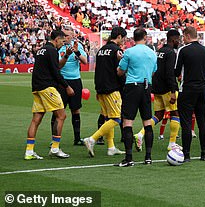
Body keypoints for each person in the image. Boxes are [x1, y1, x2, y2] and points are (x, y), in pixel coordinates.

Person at [25, 29, 74, 160]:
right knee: (61, 115)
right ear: (57, 39)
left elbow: (51, 66)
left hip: (37, 87)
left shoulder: (42, 50)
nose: (63, 44)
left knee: (36, 119)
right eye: (62, 41)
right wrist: (67, 86)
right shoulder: (52, 50)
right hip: (47, 87)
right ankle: (55, 148)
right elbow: (56, 71)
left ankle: (29, 151)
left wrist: (66, 56)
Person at [134, 29, 182, 152]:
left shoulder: (160, 51)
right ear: (173, 39)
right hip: (167, 88)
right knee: (175, 113)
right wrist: (173, 90)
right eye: (178, 39)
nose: (179, 42)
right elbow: (169, 73)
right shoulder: (171, 53)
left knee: (158, 115)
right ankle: (172, 143)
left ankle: (140, 134)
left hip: (157, 88)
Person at [117, 27, 157, 167]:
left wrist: (120, 62)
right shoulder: (152, 53)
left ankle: (129, 158)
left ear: (133, 38)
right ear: (145, 37)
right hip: (146, 86)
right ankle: (148, 157)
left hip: (132, 86)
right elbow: (153, 72)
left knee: (128, 122)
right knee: (147, 122)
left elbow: (120, 72)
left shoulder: (129, 52)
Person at [83, 26, 126, 157]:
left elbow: (99, 70)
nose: (123, 42)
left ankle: (111, 146)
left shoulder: (101, 50)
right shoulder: (117, 50)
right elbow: (120, 71)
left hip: (100, 88)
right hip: (111, 88)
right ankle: (92, 139)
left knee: (109, 117)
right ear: (118, 37)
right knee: (116, 118)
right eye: (123, 39)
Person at [175, 26, 205, 162]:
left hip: (187, 88)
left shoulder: (183, 50)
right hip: (202, 88)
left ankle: (187, 154)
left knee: (186, 122)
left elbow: (176, 70)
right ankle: (204, 153)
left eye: (183, 37)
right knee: (202, 120)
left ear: (187, 35)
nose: (182, 39)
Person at [53, 29, 88, 146]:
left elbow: (85, 61)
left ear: (72, 36)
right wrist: (67, 55)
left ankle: (77, 138)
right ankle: (54, 139)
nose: (65, 38)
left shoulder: (79, 46)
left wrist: (77, 52)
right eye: (63, 36)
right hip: (62, 82)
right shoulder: (59, 48)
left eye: (67, 36)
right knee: (57, 110)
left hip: (76, 81)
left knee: (76, 109)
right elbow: (58, 65)